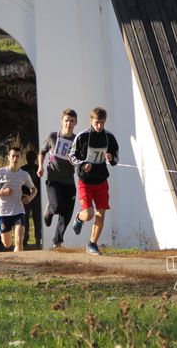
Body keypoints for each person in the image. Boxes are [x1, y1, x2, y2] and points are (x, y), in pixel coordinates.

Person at [69, 107, 119, 255]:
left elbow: (116, 158)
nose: (99, 126)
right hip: (85, 181)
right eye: (97, 122)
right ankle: (79, 218)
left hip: (102, 181)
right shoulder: (82, 137)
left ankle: (92, 244)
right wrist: (83, 164)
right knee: (89, 214)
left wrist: (111, 158)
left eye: (102, 123)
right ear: (91, 120)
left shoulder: (110, 137)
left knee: (101, 214)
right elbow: (71, 156)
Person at [37, 108, 78, 249]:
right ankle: (49, 211)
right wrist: (40, 167)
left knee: (67, 214)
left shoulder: (77, 140)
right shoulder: (53, 136)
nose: (69, 123)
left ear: (76, 122)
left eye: (72, 121)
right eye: (66, 120)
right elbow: (42, 152)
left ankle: (57, 242)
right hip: (53, 178)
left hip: (69, 181)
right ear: (62, 121)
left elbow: (81, 159)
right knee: (58, 206)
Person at [0, 144, 37, 252]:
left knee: (19, 240)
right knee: (7, 244)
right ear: (8, 157)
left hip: (18, 209)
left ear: (20, 157)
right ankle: (10, 247)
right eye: (13, 156)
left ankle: (20, 265)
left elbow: (34, 189)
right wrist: (1, 192)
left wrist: (30, 198)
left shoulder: (24, 174)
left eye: (17, 156)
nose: (15, 158)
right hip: (2, 211)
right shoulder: (0, 172)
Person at [20, 148, 42, 247]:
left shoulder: (22, 168)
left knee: (26, 218)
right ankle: (37, 238)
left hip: (26, 197)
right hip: (34, 197)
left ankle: (26, 238)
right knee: (36, 219)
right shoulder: (39, 168)